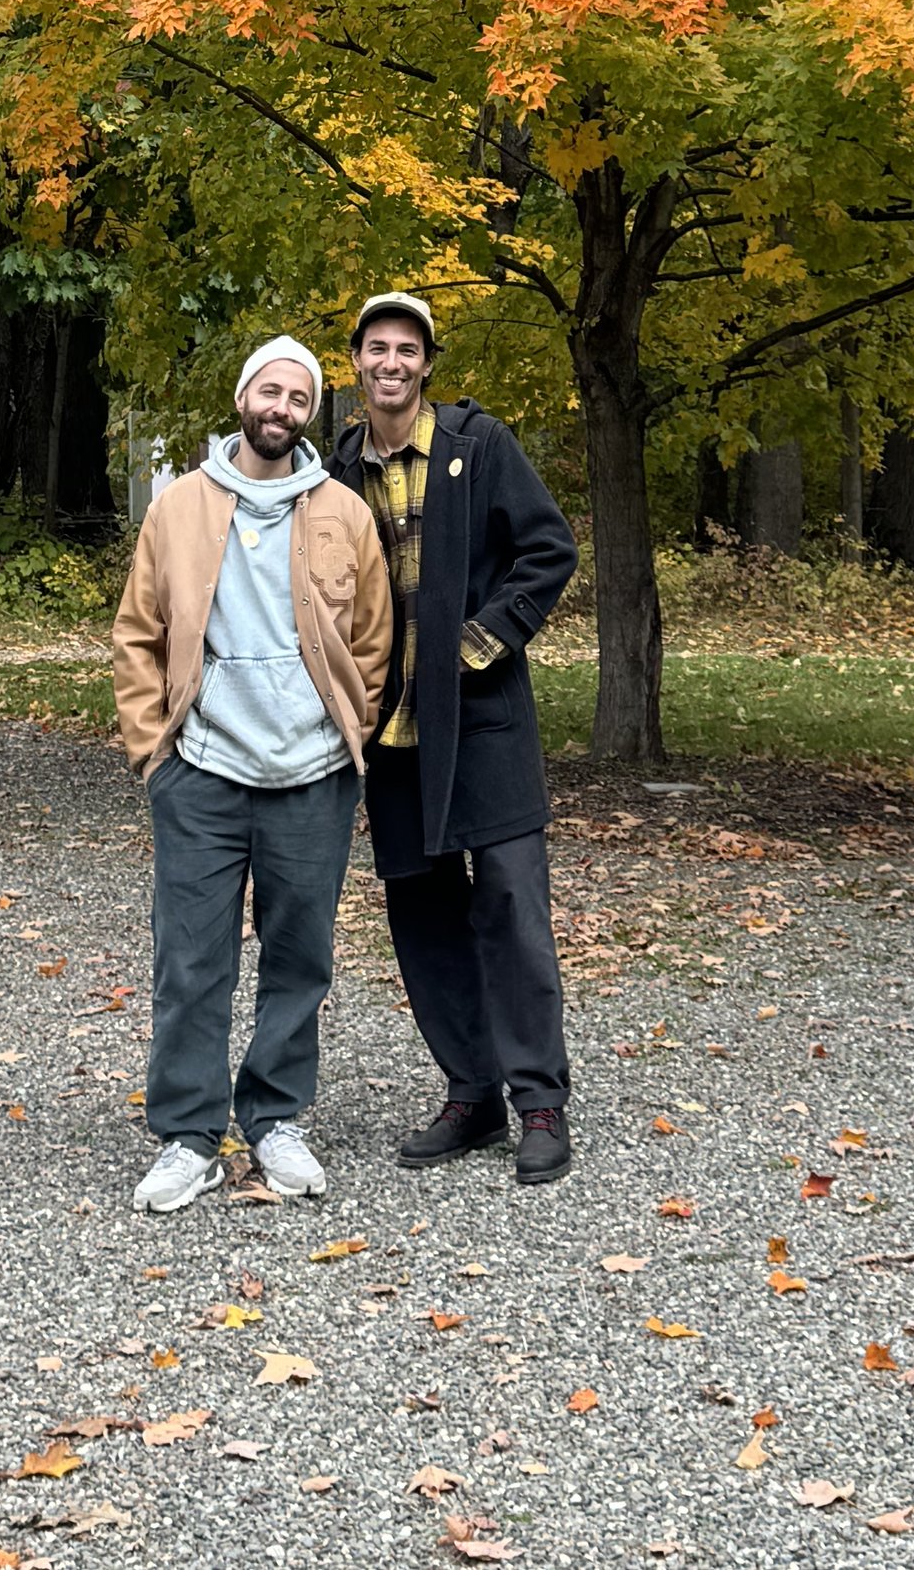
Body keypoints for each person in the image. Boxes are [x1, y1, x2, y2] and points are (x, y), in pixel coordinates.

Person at [110, 332, 390, 1215]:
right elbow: (138, 633)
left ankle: (275, 1117)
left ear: (312, 412)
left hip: (312, 774)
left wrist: (353, 728)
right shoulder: (180, 507)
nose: (282, 408)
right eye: (270, 391)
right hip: (203, 771)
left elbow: (375, 641)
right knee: (190, 959)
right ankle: (188, 1134)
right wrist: (155, 752)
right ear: (242, 398)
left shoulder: (342, 510)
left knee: (300, 957)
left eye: (299, 398)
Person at [331, 291, 580, 1186]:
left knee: (511, 905)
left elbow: (549, 550)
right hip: (389, 728)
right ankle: (470, 1088)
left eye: (407, 349)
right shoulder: (335, 470)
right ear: (354, 361)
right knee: (422, 914)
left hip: (483, 720)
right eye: (376, 348)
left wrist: (481, 639)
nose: (391, 362)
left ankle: (538, 1100)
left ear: (426, 363)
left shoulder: (480, 448)